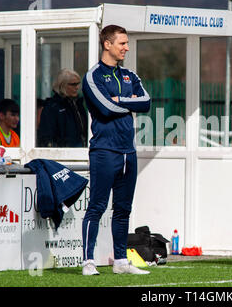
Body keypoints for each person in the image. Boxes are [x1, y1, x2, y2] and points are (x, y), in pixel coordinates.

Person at [81, 24, 151, 276]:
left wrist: (122, 101)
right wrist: (128, 104)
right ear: (107, 44)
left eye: (127, 42)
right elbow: (105, 109)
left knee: (123, 209)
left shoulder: (130, 75)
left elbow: (147, 102)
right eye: (122, 43)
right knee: (97, 207)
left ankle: (121, 261)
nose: (126, 47)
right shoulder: (94, 76)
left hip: (127, 153)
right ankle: (88, 262)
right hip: (104, 151)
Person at [37, 69, 88, 147]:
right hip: (61, 153)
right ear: (62, 85)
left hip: (80, 149)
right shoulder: (53, 107)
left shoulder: (78, 104)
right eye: (73, 84)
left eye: (78, 84)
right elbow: (46, 136)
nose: (77, 87)